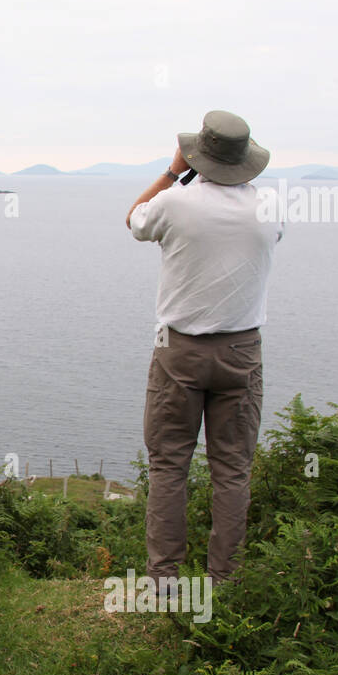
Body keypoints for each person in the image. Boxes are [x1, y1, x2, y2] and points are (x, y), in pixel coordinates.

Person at [125, 110, 282, 584]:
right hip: (241, 352)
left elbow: (133, 220)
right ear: (245, 161)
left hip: (181, 351)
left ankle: (165, 579)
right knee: (232, 469)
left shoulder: (175, 202)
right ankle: (224, 580)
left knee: (170, 464)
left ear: (197, 154)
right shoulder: (269, 206)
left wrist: (174, 171)